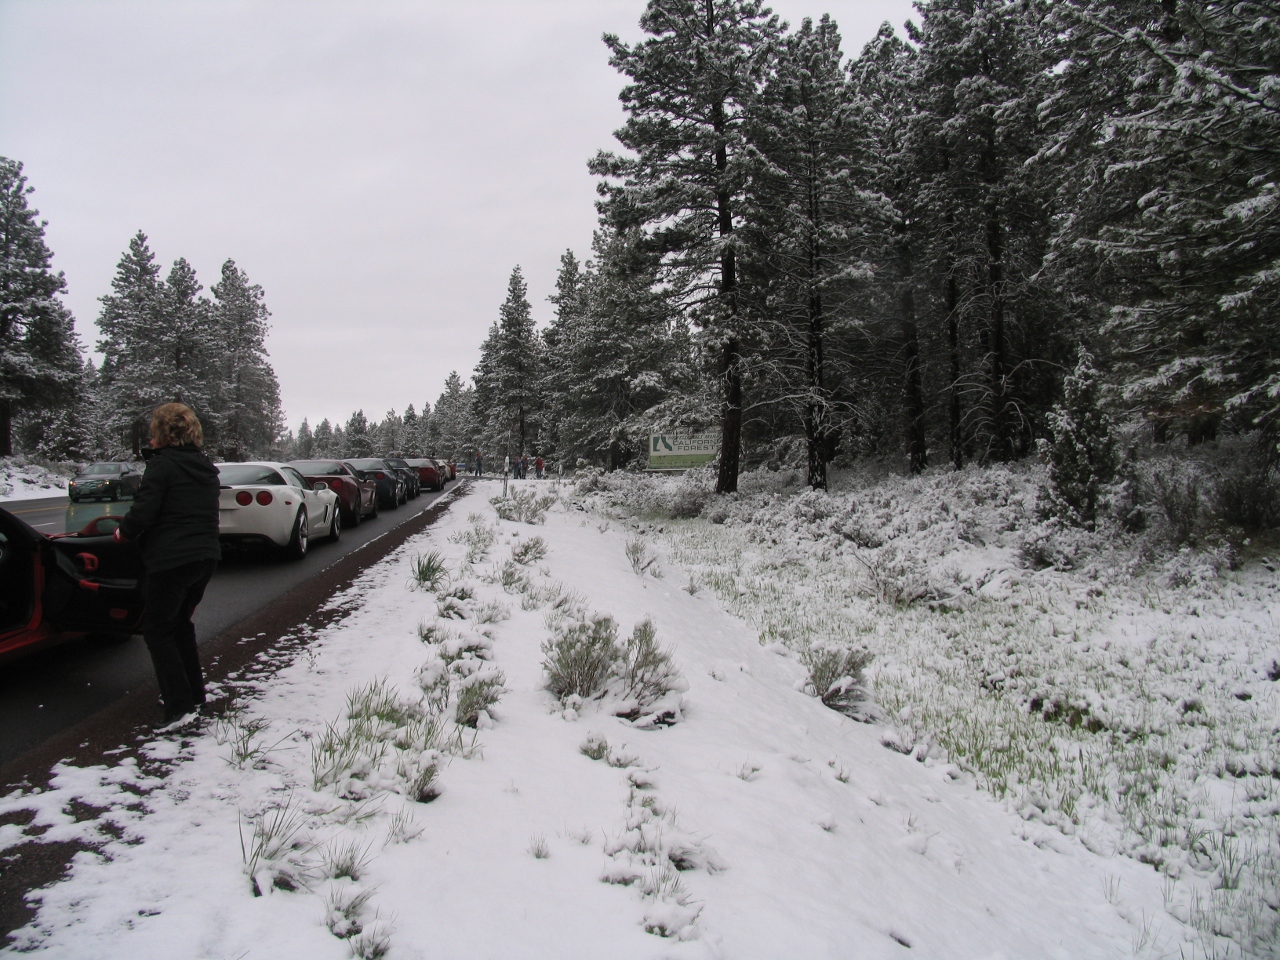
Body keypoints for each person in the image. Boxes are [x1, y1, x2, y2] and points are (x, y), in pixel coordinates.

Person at [115, 403, 221, 728]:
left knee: (158, 631)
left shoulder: (162, 467)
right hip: (204, 558)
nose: (150, 434)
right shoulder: (205, 467)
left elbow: (145, 512)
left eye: (153, 429)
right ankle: (194, 694)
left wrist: (124, 531)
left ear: (164, 432)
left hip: (171, 560)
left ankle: (179, 708)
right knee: (179, 626)